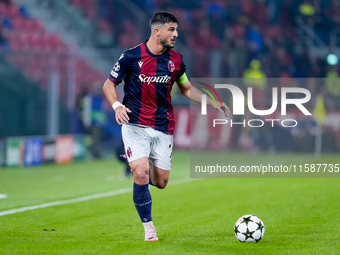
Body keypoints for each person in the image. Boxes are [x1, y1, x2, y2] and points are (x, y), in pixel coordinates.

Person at [103, 11, 230, 241]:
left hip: (162, 126)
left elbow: (187, 89)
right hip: (134, 124)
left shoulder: (176, 61)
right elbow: (108, 85)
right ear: (157, 31)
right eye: (172, 29)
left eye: (176, 30)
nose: (176, 34)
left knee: (161, 182)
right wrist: (116, 106)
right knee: (140, 174)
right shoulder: (131, 56)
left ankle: (135, 161)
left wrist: (215, 103)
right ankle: (149, 228)